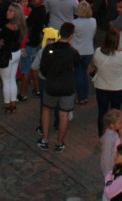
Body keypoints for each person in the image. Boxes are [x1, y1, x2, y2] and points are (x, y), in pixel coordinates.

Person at [37, 22, 79, 152]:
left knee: (47, 110)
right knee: (64, 115)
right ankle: (59, 143)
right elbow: (77, 66)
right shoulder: (73, 52)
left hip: (52, 85)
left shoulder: (49, 49)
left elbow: (43, 68)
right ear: (71, 36)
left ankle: (45, 139)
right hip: (67, 87)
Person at [91, 28, 122, 137]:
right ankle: (114, 135)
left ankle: (101, 137)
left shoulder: (98, 51)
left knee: (102, 113)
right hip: (117, 88)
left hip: (101, 86)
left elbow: (96, 65)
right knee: (116, 114)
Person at [0, 2, 26, 113]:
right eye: (8, 10)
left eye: (11, 11)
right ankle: (13, 103)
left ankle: (7, 105)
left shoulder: (8, 27)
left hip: (7, 54)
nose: (8, 12)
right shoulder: (21, 26)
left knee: (6, 81)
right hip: (16, 53)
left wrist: (1, 40)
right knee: (12, 79)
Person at [72, 0, 97, 105]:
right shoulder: (93, 21)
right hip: (89, 50)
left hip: (77, 51)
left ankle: (81, 97)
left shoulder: (74, 23)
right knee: (85, 74)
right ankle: (85, 96)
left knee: (78, 73)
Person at [101, 109, 122, 178]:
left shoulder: (115, 133)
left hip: (117, 165)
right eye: (120, 123)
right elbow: (106, 156)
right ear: (112, 125)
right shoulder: (109, 138)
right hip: (111, 168)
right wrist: (108, 173)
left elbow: (121, 147)